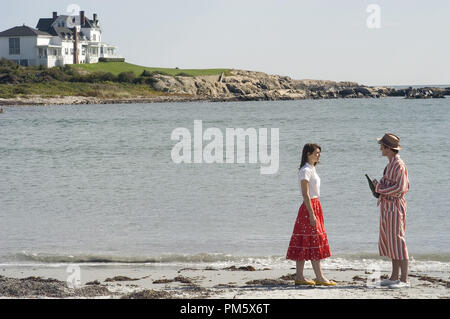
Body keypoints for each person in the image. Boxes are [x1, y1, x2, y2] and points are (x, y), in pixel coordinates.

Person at [286, 143, 336, 286]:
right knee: (313, 240)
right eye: (316, 153)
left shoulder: (312, 168)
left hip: (315, 205)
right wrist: (311, 214)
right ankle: (318, 277)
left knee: (309, 240)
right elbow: (305, 194)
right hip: (309, 207)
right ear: (308, 154)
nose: (319, 155)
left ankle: (301, 277)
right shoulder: (305, 170)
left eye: (319, 153)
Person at [373, 133, 410, 289]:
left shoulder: (399, 165)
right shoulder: (390, 164)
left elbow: (400, 188)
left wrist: (379, 188)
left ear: (388, 148)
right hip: (388, 207)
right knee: (391, 242)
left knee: (398, 241)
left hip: (395, 207)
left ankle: (404, 280)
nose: (380, 148)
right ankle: (394, 277)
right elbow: (389, 185)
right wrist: (378, 186)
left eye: (382, 145)